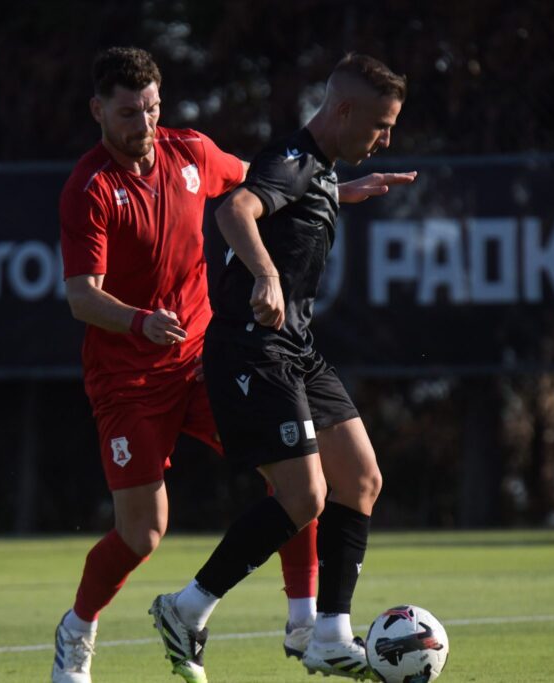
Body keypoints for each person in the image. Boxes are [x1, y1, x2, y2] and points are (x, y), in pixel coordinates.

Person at [53, 46, 324, 683]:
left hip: (205, 361)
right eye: (128, 112)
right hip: (128, 382)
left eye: (151, 108)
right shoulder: (90, 188)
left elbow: (261, 185)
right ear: (98, 111)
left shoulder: (191, 152)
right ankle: (77, 630)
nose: (144, 123)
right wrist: (140, 321)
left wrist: (336, 188)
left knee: (295, 478)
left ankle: (306, 623)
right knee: (143, 534)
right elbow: (81, 296)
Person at [150, 53, 415, 682]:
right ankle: (186, 608)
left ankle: (330, 636)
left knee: (362, 479)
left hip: (296, 348)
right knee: (305, 496)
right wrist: (265, 275)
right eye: (380, 125)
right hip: (252, 351)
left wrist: (340, 193)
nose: (385, 139)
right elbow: (234, 210)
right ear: (343, 110)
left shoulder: (316, 170)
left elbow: (292, 199)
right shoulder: (292, 158)